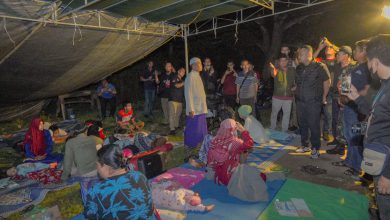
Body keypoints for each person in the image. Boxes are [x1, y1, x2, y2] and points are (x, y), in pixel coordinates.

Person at [346, 35, 390, 220]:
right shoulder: (385, 85)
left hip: (387, 163)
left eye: (369, 62)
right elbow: (377, 115)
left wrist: (388, 175)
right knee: (381, 204)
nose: (369, 67)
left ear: (375, 61)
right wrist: (356, 97)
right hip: (379, 156)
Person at [84, 144, 155, 219]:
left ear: (105, 166)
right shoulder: (140, 176)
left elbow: (90, 215)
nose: (97, 169)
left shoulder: (97, 190)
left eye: (97, 165)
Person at [295, 45, 331, 159]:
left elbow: (327, 81)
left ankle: (315, 148)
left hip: (314, 102)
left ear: (308, 55)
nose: (298, 56)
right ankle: (305, 145)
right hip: (300, 101)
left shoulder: (320, 67)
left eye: (300, 54)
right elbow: (299, 82)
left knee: (314, 125)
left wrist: (324, 96)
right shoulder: (299, 67)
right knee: (302, 123)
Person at [326, 45, 357, 155]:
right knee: (337, 120)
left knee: (343, 122)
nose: (336, 56)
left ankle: (341, 146)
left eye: (339, 54)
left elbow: (345, 86)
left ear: (346, 56)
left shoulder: (351, 68)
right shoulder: (338, 66)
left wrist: (342, 98)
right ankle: (338, 141)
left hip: (345, 99)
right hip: (337, 96)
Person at [207, 119, 254, 185]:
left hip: (214, 173)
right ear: (233, 130)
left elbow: (209, 159)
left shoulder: (214, 140)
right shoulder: (236, 142)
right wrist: (244, 131)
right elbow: (249, 144)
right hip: (229, 176)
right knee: (256, 175)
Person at [314, 38, 338, 141]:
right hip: (324, 91)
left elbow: (345, 52)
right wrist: (319, 48)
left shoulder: (338, 61)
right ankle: (325, 132)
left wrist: (330, 43)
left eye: (330, 48)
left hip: (336, 91)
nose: (328, 48)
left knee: (332, 115)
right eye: (326, 48)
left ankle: (327, 132)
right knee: (327, 114)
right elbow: (311, 59)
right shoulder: (321, 61)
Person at [184, 57, 208, 150]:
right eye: (198, 64)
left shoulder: (198, 76)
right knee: (193, 128)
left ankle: (201, 144)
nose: (200, 65)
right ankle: (190, 145)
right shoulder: (190, 77)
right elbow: (188, 93)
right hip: (194, 109)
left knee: (201, 128)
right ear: (193, 65)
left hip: (201, 108)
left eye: (200, 63)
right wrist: (191, 109)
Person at [269, 54, 296, 132]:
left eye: (285, 60)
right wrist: (272, 69)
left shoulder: (292, 70)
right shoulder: (276, 70)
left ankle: (284, 130)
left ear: (287, 61)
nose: (283, 62)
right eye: (281, 61)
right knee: (274, 114)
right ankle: (272, 129)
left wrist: (296, 86)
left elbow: (298, 79)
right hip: (277, 97)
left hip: (288, 97)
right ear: (279, 62)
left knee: (286, 115)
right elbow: (273, 74)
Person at [168, 67, 185, 135]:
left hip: (180, 100)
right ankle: (172, 129)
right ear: (178, 71)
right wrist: (184, 82)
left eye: (184, 72)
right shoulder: (174, 77)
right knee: (172, 115)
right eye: (181, 71)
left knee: (178, 115)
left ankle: (176, 126)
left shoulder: (182, 80)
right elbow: (176, 85)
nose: (183, 73)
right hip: (173, 99)